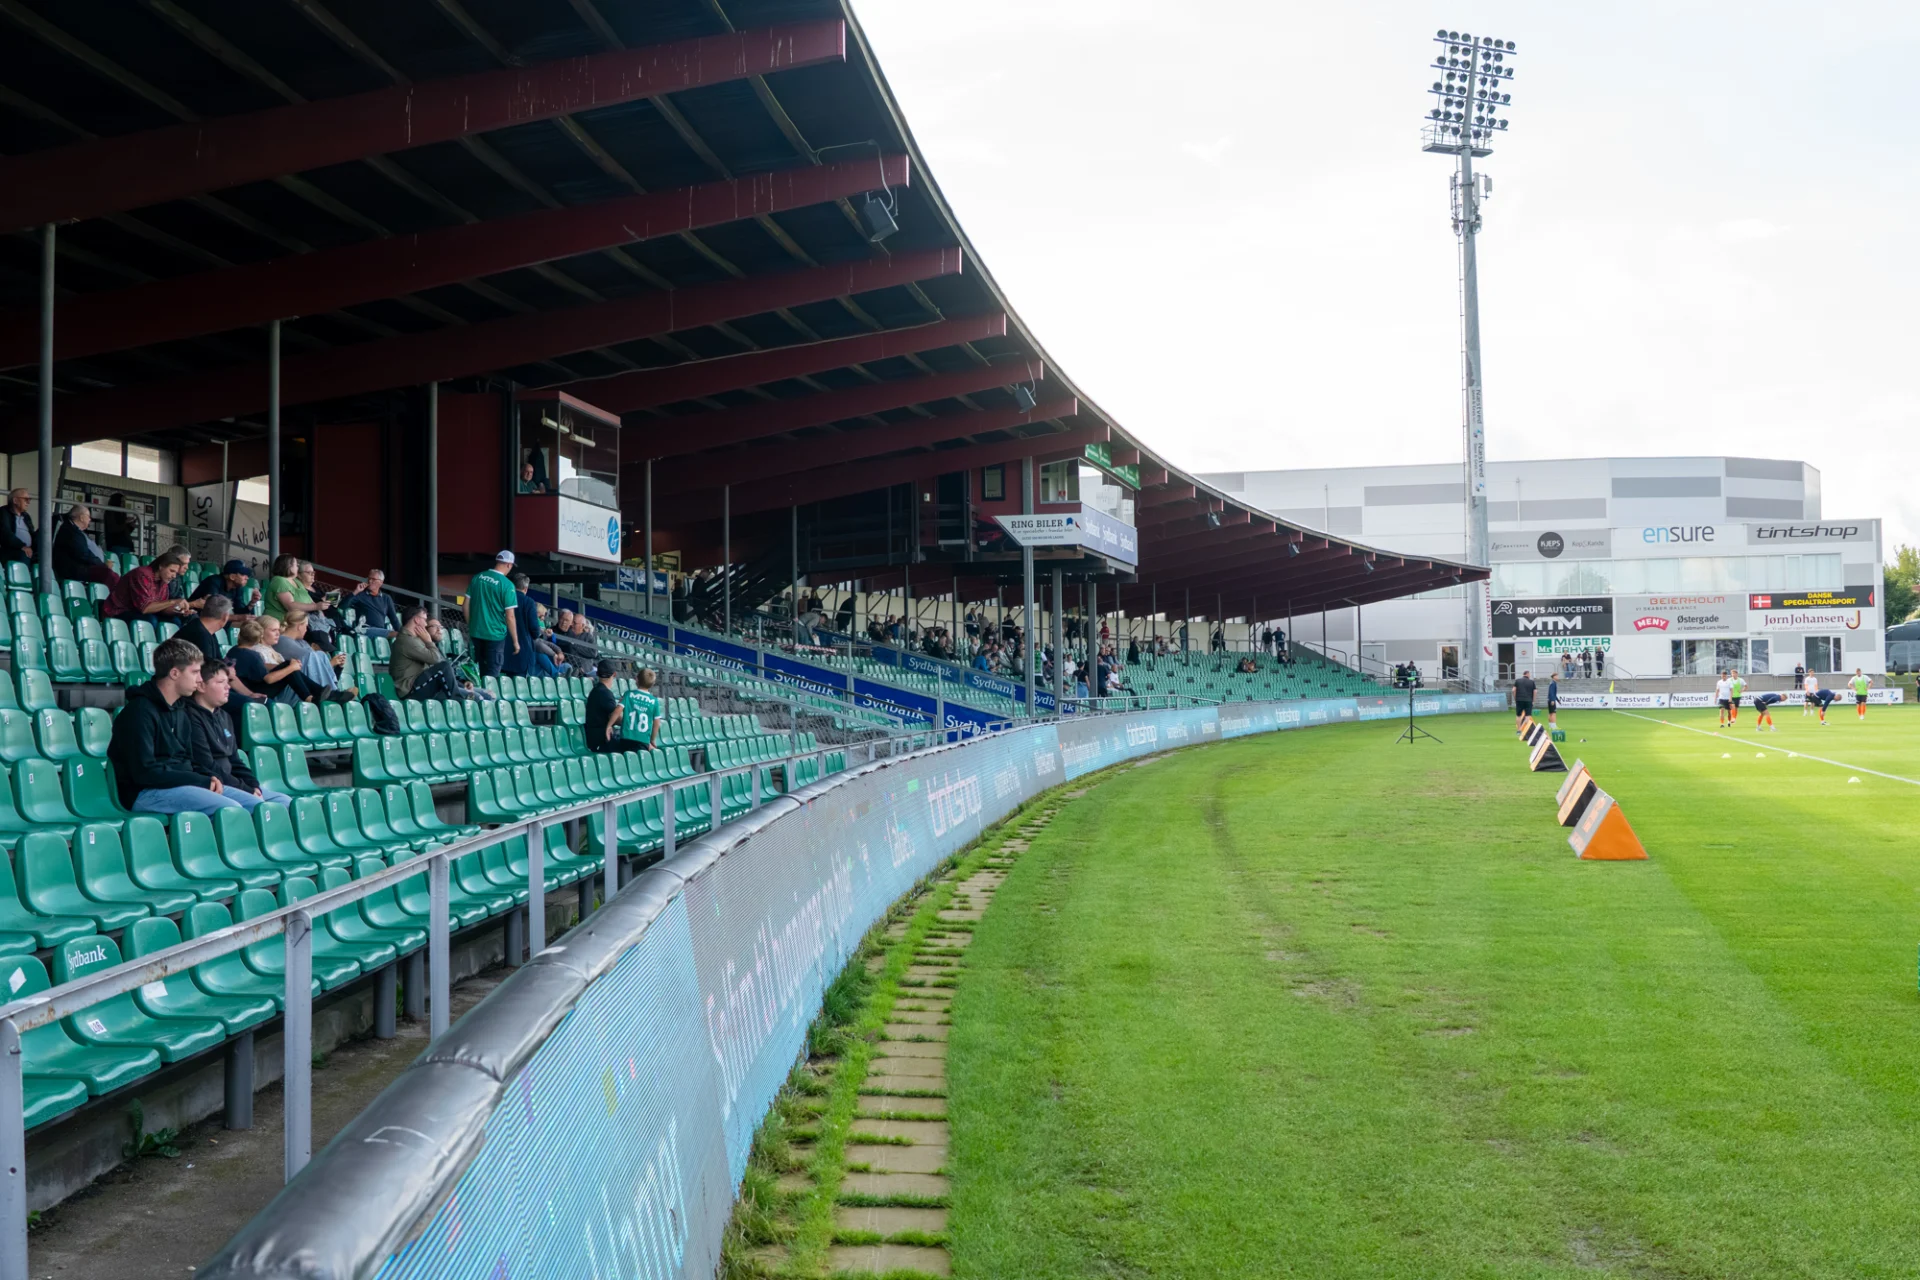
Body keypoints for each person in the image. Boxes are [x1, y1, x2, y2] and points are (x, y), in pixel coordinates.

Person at [108, 638, 250, 815]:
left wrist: (206, 777)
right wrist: (199, 780)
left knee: (255, 805)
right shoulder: (139, 712)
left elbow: (189, 759)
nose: (200, 680)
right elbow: (144, 772)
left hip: (182, 784)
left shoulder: (180, 709)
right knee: (230, 810)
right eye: (195, 672)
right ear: (175, 673)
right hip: (144, 792)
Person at [184, 658, 292, 809]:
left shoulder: (224, 716)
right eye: (221, 682)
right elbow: (207, 765)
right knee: (258, 805)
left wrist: (254, 785)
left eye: (228, 682)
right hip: (214, 784)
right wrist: (246, 789)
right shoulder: (189, 717)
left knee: (284, 801)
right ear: (201, 686)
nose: (228, 687)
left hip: (233, 782)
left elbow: (235, 760)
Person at [229, 618, 325, 703]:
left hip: (244, 688)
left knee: (287, 665)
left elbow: (261, 666)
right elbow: (268, 679)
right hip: (255, 690)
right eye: (274, 630)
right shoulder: (254, 655)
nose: (278, 633)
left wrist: (288, 667)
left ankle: (316, 692)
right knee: (289, 667)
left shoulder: (233, 650)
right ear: (260, 636)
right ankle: (310, 696)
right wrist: (291, 668)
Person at [101, 546, 195, 620]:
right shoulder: (142, 575)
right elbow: (145, 608)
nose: (174, 576)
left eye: (175, 572)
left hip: (140, 612)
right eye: (171, 571)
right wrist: (173, 601)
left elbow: (162, 609)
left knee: (175, 620)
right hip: (119, 612)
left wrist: (179, 611)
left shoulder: (163, 581)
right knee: (151, 620)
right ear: (161, 566)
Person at [466, 551, 520, 678]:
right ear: (508, 565)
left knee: (476, 673)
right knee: (491, 675)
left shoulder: (478, 577)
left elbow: (465, 605)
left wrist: (471, 625)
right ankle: (487, 697)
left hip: (476, 633)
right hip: (495, 635)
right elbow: (510, 616)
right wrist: (515, 641)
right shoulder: (507, 585)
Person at [278, 613, 350, 698]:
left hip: (299, 689)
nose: (306, 629)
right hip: (285, 691)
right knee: (311, 656)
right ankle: (332, 695)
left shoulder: (301, 642)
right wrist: (330, 664)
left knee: (321, 654)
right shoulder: (282, 640)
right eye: (306, 626)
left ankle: (333, 692)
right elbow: (308, 658)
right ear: (299, 626)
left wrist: (338, 668)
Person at [584, 661, 647, 754]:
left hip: (595, 736)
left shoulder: (596, 691)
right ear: (614, 674)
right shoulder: (605, 694)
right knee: (640, 744)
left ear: (597, 673)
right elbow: (616, 718)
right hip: (601, 740)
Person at [52, 504, 118, 587]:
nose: (90, 519)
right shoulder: (70, 531)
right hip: (72, 570)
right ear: (82, 517)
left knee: (109, 574)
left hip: (78, 568)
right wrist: (102, 564)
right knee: (108, 574)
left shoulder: (74, 530)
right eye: (88, 517)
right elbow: (83, 554)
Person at [389, 606, 443, 698]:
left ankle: (460, 695)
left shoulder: (413, 639)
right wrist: (429, 641)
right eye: (425, 620)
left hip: (417, 684)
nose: (426, 624)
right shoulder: (407, 640)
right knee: (444, 667)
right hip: (409, 690)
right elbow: (436, 660)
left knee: (472, 694)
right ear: (417, 620)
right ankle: (458, 698)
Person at [262, 554, 324, 626]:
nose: (298, 567)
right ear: (288, 567)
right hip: (279, 624)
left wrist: (319, 612)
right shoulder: (279, 580)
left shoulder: (296, 581)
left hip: (297, 622)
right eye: (296, 565)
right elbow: (290, 606)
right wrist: (315, 607)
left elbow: (309, 600)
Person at [174, 593, 232, 664]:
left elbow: (218, 662)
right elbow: (208, 670)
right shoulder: (200, 635)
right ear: (225, 617)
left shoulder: (208, 632)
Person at [190, 560, 260, 619]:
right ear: (232, 576)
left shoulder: (237, 587)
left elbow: (239, 611)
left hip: (216, 620)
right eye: (242, 574)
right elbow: (213, 611)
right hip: (195, 617)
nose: (247, 578)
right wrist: (238, 618)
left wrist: (252, 602)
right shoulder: (213, 581)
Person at [619, 667, 665, 752]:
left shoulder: (629, 694)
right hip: (642, 739)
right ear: (653, 683)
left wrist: (609, 725)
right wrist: (652, 740)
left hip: (626, 737)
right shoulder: (653, 701)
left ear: (636, 679)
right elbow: (657, 722)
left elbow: (618, 711)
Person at [345, 570, 400, 636]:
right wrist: (355, 592)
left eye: (373, 579)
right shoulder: (361, 595)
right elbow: (342, 606)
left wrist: (401, 632)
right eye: (369, 578)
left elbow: (394, 620)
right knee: (397, 635)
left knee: (400, 635)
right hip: (364, 629)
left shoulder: (386, 598)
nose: (370, 581)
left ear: (381, 582)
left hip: (379, 631)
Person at [0, 488, 35, 565]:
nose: (28, 502)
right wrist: (22, 546)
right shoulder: (3, 512)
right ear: (15, 500)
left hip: (28, 549)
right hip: (12, 550)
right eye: (26, 499)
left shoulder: (26, 516)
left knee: (46, 558)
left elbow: (32, 533)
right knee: (24, 555)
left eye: (29, 499)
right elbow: (6, 533)